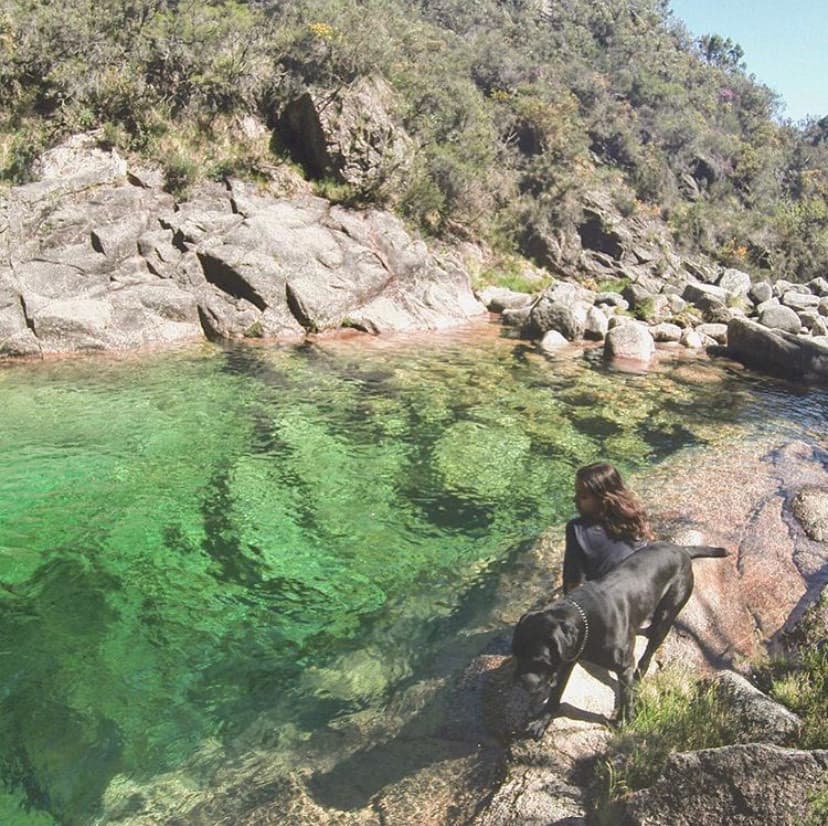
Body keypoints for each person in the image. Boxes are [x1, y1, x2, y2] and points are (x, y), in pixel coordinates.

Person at [563, 462, 653, 593]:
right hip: (645, 588)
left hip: (612, 600)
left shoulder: (577, 529)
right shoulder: (635, 516)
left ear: (603, 499)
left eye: (583, 496)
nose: (575, 500)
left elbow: (572, 584)